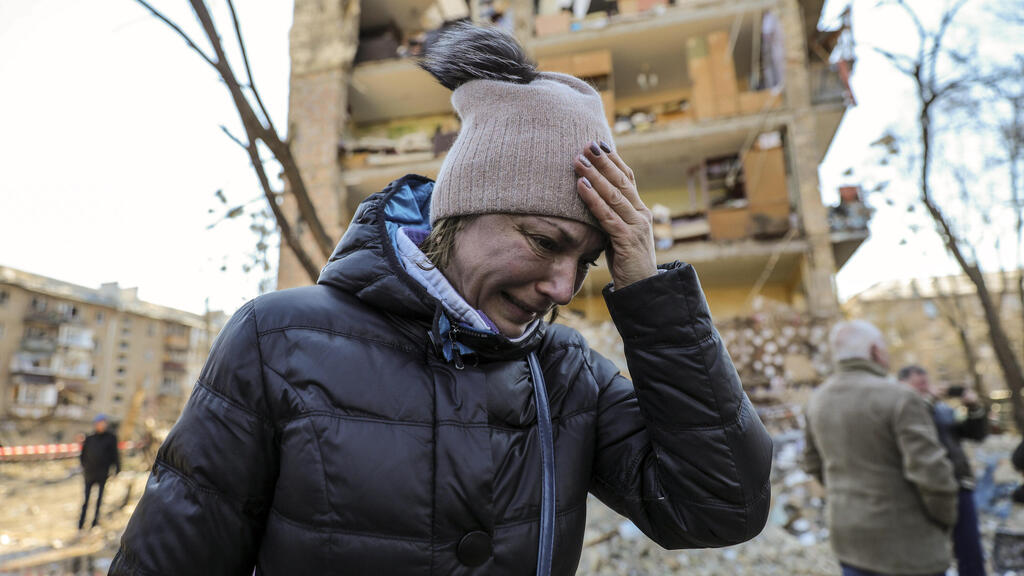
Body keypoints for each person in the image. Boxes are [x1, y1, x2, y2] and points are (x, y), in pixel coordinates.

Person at [110, 23, 772, 575]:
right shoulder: (276, 342)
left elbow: (719, 506)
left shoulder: (567, 376)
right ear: (465, 210)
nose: (564, 289)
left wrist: (649, 291)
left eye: (589, 261)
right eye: (545, 242)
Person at [804, 321, 958, 576]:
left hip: (849, 541)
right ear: (875, 351)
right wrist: (945, 519)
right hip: (907, 546)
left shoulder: (817, 401)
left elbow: (812, 463)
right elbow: (932, 473)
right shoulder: (900, 398)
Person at [899, 365, 989, 576]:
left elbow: (975, 434)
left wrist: (974, 407)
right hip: (922, 493)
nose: (925, 389)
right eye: (918, 385)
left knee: (970, 549)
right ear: (902, 385)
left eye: (926, 383)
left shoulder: (942, 409)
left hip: (958, 485)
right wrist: (928, 401)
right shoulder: (899, 409)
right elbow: (913, 427)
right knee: (929, 556)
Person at [78, 413, 120, 530]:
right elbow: (83, 455)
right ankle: (81, 524)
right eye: (98, 423)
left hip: (103, 473)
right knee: (86, 500)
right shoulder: (90, 438)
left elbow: (115, 455)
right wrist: (83, 467)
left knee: (99, 500)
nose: (100, 426)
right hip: (89, 473)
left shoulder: (111, 438)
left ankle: (94, 523)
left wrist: (117, 469)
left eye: (102, 423)